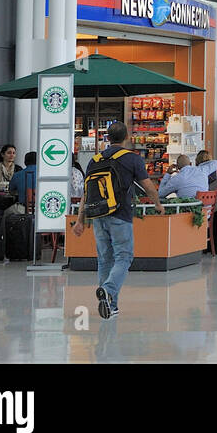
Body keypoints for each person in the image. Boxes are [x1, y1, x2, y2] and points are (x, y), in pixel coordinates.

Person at [73, 123, 163, 319]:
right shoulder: (132, 159)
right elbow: (148, 186)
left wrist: (80, 220)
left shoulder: (95, 160)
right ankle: (108, 289)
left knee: (105, 259)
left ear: (107, 138)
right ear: (127, 137)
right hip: (120, 215)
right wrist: (157, 204)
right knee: (124, 257)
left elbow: (86, 193)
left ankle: (110, 305)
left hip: (97, 215)